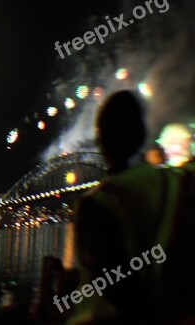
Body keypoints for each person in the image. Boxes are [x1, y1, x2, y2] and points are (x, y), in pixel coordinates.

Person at [69, 91, 185, 323]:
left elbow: (115, 286)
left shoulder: (98, 202)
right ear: (141, 135)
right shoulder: (174, 182)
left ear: (101, 140)